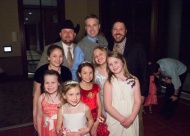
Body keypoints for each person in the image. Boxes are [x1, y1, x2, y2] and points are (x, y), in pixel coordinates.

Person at [111, 19, 149, 136]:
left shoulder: (137, 46)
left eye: (121, 29)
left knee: (136, 124)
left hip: (133, 92)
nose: (118, 32)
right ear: (112, 31)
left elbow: (144, 70)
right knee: (117, 125)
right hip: (114, 93)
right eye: (115, 29)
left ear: (126, 31)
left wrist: (143, 93)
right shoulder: (107, 46)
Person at [33, 45, 72, 132]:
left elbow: (68, 92)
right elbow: (36, 94)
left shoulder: (66, 72)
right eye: (54, 56)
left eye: (60, 56)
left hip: (61, 108)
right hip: (45, 109)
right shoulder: (40, 71)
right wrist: (35, 115)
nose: (58, 59)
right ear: (48, 57)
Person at [104, 51, 141, 136]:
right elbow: (108, 106)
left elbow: (137, 101)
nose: (114, 66)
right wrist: (123, 120)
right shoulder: (109, 82)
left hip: (132, 118)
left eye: (116, 62)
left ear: (123, 61)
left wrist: (130, 119)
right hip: (116, 119)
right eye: (110, 64)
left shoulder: (134, 80)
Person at [72, 14, 108, 80]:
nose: (92, 29)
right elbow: (75, 70)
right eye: (89, 26)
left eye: (94, 25)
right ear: (85, 28)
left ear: (99, 26)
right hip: (92, 83)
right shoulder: (80, 46)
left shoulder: (103, 40)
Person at [77, 62, 110, 136]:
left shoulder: (95, 87)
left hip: (97, 117)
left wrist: (96, 122)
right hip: (83, 118)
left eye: (90, 73)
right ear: (79, 74)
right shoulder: (77, 88)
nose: (88, 76)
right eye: (85, 73)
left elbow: (99, 105)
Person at [36, 70, 63, 136]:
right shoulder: (41, 98)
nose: (50, 85)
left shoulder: (63, 99)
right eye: (47, 83)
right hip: (46, 129)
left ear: (58, 83)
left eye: (53, 82)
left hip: (60, 130)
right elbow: (39, 117)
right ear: (43, 84)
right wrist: (40, 134)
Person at [92, 46, 109, 117]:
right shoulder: (94, 72)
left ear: (106, 54)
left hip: (115, 99)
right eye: (95, 56)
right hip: (102, 101)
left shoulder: (114, 68)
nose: (98, 57)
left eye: (100, 54)